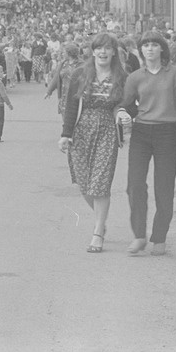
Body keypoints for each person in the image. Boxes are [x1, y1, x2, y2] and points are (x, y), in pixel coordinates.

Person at [58, 33, 128, 254]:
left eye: (107, 48)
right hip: (81, 129)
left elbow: (126, 103)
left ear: (114, 51)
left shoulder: (121, 76)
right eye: (99, 48)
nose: (103, 52)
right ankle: (101, 220)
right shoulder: (80, 73)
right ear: (92, 51)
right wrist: (65, 134)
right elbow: (71, 105)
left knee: (101, 182)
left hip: (107, 128)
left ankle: (98, 232)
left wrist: (123, 112)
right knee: (84, 183)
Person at [117, 31, 176, 256]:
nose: (150, 48)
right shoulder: (135, 76)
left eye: (154, 45)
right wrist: (123, 113)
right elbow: (127, 104)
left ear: (162, 49)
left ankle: (159, 237)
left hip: (167, 132)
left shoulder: (174, 74)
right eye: (146, 45)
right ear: (140, 50)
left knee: (164, 188)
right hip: (142, 132)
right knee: (134, 185)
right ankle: (139, 235)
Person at [45, 43, 82, 117]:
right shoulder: (63, 64)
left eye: (63, 52)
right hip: (64, 96)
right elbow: (56, 78)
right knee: (65, 117)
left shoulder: (81, 64)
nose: (62, 54)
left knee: (75, 117)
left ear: (69, 53)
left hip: (75, 96)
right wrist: (49, 91)